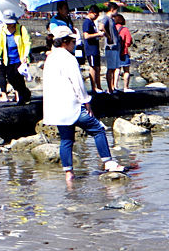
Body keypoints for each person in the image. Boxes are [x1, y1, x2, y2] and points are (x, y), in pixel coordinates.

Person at [43, 23, 124, 177]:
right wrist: (86, 102)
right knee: (98, 130)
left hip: (56, 108)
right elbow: (78, 84)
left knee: (66, 140)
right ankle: (109, 163)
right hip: (72, 105)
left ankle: (69, 174)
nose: (74, 45)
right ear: (66, 42)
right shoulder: (68, 58)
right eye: (73, 42)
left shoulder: (50, 58)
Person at [0, 13, 31, 103]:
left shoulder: (21, 29)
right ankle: (25, 92)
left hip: (19, 58)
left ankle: (22, 97)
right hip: (8, 59)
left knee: (19, 78)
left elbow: (27, 43)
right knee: (11, 79)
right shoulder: (1, 31)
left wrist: (25, 55)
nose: (9, 25)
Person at [79, 7, 104, 92]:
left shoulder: (92, 22)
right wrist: (98, 34)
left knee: (97, 67)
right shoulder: (87, 22)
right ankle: (94, 87)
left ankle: (99, 86)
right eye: (95, 14)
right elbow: (86, 36)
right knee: (93, 67)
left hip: (95, 48)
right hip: (90, 48)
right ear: (90, 12)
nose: (96, 16)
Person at [113, 12, 132, 91]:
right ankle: (125, 87)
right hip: (124, 52)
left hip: (115, 52)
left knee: (117, 69)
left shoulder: (113, 28)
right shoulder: (125, 29)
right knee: (126, 71)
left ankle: (115, 86)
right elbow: (128, 42)